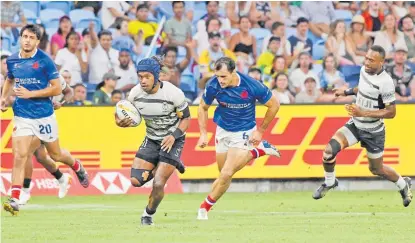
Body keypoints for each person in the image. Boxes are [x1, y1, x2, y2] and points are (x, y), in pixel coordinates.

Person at [1, 25, 88, 215]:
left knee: (54, 155)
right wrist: (4, 97)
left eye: (31, 37)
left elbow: (59, 89)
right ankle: (15, 197)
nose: (26, 40)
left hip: (44, 116)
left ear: (37, 41)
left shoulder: (45, 61)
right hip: (22, 115)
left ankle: (76, 165)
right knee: (20, 155)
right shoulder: (13, 60)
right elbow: (9, 79)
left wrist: (34, 94)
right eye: (24, 36)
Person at [312, 45, 412, 207]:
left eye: (371, 60)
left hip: (373, 131)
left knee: (376, 169)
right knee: (329, 151)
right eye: (366, 58)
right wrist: (346, 92)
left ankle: (403, 183)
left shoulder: (386, 82)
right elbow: (363, 88)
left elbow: (391, 112)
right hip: (356, 125)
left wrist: (363, 112)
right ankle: (330, 182)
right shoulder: (364, 70)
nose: (366, 62)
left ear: (381, 62)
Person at [196, 57, 281, 220]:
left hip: (244, 131)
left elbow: (274, 105)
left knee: (227, 173)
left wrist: (261, 131)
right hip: (222, 130)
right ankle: (258, 151)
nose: (219, 80)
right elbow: (203, 107)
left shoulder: (251, 85)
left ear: (233, 72)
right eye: (217, 76)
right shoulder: (213, 84)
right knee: (223, 175)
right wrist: (203, 133)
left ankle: (204, 208)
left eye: (223, 76)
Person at [115, 57, 189, 226]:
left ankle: (148, 214)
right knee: (135, 181)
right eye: (140, 76)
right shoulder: (135, 94)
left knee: (158, 182)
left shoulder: (173, 93)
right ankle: (171, 163)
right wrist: (119, 122)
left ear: (156, 76)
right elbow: (121, 113)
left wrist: (173, 135)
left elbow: (186, 119)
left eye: (147, 77)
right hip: (152, 138)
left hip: (172, 140)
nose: (142, 81)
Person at [19, 75, 90, 205]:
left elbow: (69, 91)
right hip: (26, 118)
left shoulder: (50, 72)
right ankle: (62, 178)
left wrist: (61, 103)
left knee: (48, 154)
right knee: (41, 157)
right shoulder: (20, 70)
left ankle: (25, 190)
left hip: (44, 119)